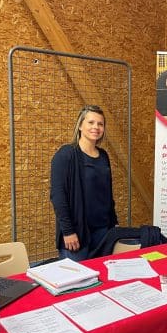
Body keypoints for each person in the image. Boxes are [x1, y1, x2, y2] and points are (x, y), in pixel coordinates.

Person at [50, 105, 118, 261]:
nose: (96, 127)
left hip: (103, 231)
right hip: (76, 234)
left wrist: (113, 224)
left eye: (100, 124)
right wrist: (68, 231)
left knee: (102, 279)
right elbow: (58, 197)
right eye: (91, 122)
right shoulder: (66, 155)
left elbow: (107, 193)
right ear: (80, 126)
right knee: (78, 283)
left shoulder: (103, 156)